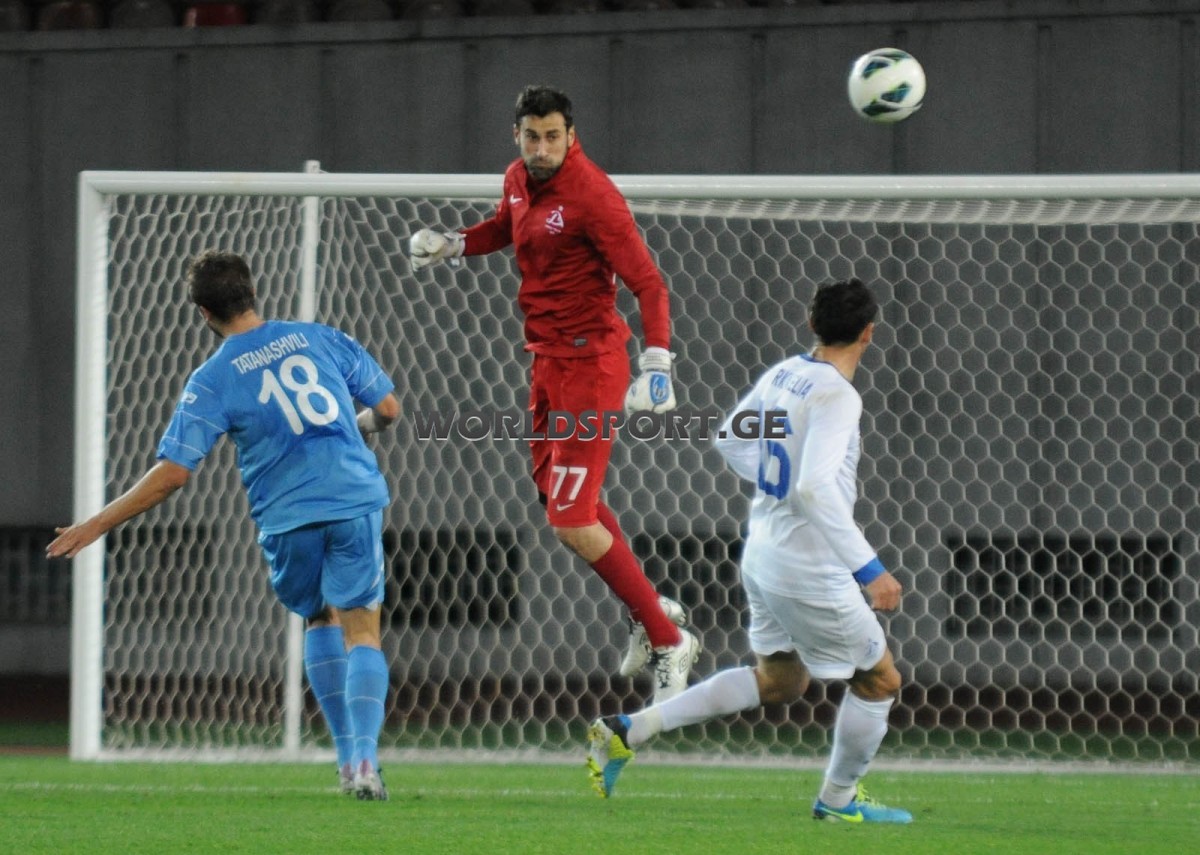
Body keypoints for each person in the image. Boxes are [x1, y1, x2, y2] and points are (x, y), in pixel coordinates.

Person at [47, 251, 401, 801]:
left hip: (288, 518)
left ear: (203, 313)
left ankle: (343, 760)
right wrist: (361, 425)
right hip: (353, 499)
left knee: (318, 618)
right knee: (363, 630)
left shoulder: (212, 379)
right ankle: (365, 762)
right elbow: (389, 409)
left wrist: (97, 523)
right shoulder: (320, 337)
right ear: (252, 292)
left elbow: (173, 474)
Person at [407, 84, 699, 700]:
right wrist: (456, 243)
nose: (541, 148)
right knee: (559, 500)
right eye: (532, 137)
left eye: (553, 137)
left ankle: (668, 639)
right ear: (517, 135)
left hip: (592, 367)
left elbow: (649, 282)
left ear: (571, 135)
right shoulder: (517, 178)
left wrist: (657, 363)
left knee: (570, 521)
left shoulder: (593, 195)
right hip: (545, 362)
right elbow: (505, 226)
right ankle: (652, 610)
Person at [585, 278, 912, 824]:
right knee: (880, 681)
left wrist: (776, 489)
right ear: (869, 334)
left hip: (763, 552)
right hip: (808, 566)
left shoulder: (784, 374)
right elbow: (814, 487)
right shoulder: (838, 395)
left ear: (812, 323)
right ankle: (838, 801)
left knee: (781, 680)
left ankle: (628, 730)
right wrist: (870, 569)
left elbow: (730, 440)